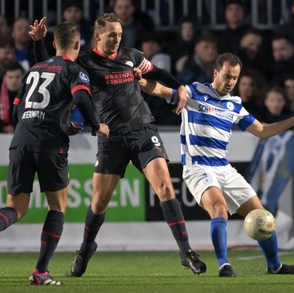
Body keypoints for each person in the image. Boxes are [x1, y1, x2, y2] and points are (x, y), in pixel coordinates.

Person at [30, 13, 207, 277]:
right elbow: (49, 69)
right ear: (98, 36)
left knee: (165, 186)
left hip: (143, 130)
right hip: (111, 137)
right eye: (112, 34)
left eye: (120, 34)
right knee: (99, 203)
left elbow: (157, 73)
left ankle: (186, 252)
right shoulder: (84, 62)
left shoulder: (132, 56)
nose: (117, 39)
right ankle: (86, 248)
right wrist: (39, 42)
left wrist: (180, 87)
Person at [136, 52, 294, 277]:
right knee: (219, 208)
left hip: (224, 168)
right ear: (215, 73)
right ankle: (224, 265)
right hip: (198, 168)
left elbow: (263, 131)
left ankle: (275, 266)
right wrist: (138, 79)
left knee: (262, 216)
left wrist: (293, 120)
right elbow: (159, 90)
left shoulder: (234, 104)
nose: (231, 82)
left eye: (235, 78)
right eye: (227, 76)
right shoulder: (194, 91)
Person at [0, 21, 109, 285]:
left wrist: (52, 121)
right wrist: (95, 124)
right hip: (49, 143)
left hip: (21, 138)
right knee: (57, 207)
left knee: (16, 206)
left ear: (53, 44)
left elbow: (16, 112)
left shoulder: (33, 70)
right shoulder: (75, 71)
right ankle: (40, 272)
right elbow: (80, 98)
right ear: (78, 44)